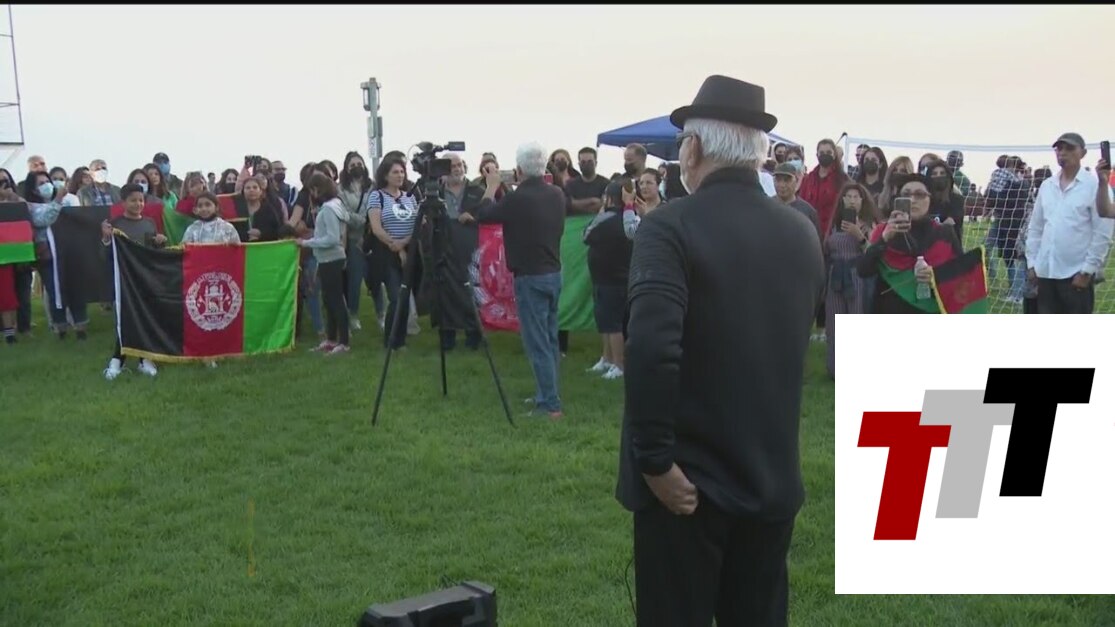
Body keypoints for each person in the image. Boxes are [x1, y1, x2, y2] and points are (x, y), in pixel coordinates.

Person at [616, 75, 824, 626]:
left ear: (693, 149)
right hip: (770, 473)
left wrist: (654, 460)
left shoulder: (669, 226)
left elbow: (651, 349)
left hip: (687, 484)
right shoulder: (801, 231)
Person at [476, 142, 567, 419]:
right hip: (553, 272)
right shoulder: (556, 193)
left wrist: (491, 186)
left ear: (519, 169)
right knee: (549, 339)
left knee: (537, 342)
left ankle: (549, 404)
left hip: (530, 275)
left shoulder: (518, 199)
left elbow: (484, 214)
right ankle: (547, 393)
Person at [1025, 133, 1115, 314]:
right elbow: (1036, 228)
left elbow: (1102, 233)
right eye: (1059, 148)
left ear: (1083, 153)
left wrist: (1087, 270)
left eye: (1070, 148)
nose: (1063, 153)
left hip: (1075, 274)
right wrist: (1032, 263)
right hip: (1045, 273)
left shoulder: (1095, 185)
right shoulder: (1047, 186)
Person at [856, 173, 963, 313]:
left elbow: (961, 276)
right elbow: (863, 270)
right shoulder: (884, 230)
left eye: (920, 195)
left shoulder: (944, 233)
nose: (912, 200)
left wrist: (935, 277)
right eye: (906, 194)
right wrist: (884, 239)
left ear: (930, 199)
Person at [101, 184, 166, 380]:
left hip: (144, 279)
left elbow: (152, 253)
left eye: (141, 200)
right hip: (123, 279)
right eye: (133, 200)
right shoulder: (114, 224)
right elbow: (106, 255)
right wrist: (106, 238)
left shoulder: (149, 223)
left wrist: (160, 242)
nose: (138, 204)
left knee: (145, 317)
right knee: (124, 318)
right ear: (123, 202)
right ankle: (117, 360)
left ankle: (144, 359)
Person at [298, 172, 351, 354]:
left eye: (312, 190)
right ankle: (331, 339)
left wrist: (306, 242)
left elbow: (332, 238)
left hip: (331, 258)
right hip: (330, 258)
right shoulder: (336, 205)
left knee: (335, 300)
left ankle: (343, 342)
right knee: (328, 300)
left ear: (316, 189)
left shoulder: (328, 208)